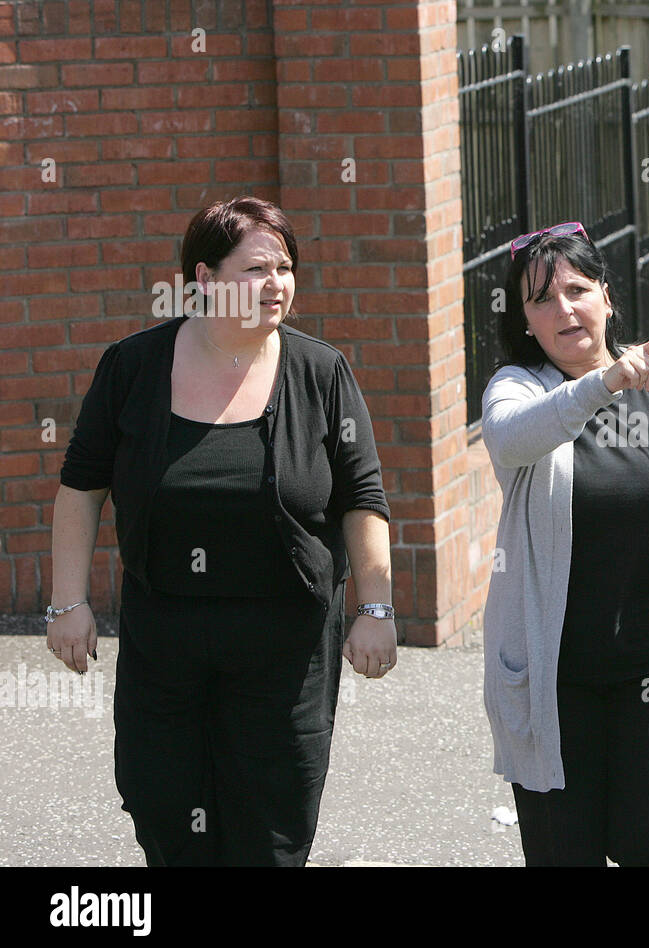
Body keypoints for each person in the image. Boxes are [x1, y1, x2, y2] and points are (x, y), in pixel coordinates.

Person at [50, 197, 395, 866]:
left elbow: (363, 497)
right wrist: (69, 602)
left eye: (286, 267)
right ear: (204, 280)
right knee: (162, 805)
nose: (277, 284)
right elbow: (81, 485)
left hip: (286, 642)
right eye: (256, 269)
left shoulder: (320, 373)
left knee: (271, 825)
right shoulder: (133, 368)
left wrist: (375, 609)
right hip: (166, 635)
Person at [480, 221, 649, 866]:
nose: (563, 309)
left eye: (576, 288)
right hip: (559, 676)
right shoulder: (519, 390)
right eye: (541, 299)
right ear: (526, 321)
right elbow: (513, 439)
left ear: (607, 296)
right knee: (566, 850)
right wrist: (604, 383)